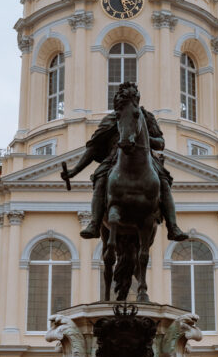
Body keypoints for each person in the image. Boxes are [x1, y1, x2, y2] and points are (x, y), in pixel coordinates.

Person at [61, 82, 188, 242]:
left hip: (146, 158)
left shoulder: (146, 117)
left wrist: (144, 137)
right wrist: (74, 171)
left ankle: (173, 226)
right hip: (114, 158)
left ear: (137, 100)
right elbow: (93, 148)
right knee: (100, 178)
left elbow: (161, 143)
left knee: (163, 180)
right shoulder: (112, 118)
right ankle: (94, 223)